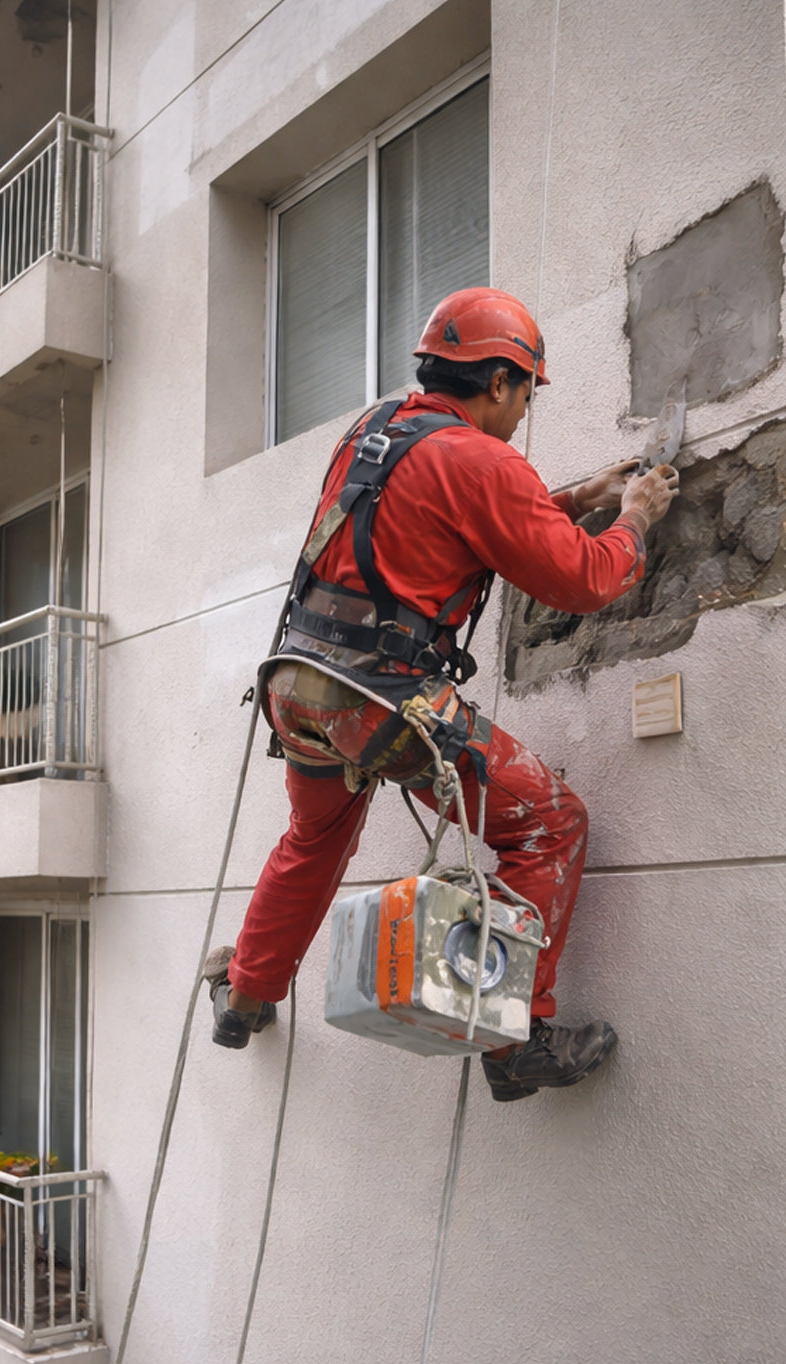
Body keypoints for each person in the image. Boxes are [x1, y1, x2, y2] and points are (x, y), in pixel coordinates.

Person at [208, 287, 680, 1102]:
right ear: (497, 381)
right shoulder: (484, 461)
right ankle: (517, 1042)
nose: (524, 411)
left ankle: (245, 995)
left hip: (300, 687)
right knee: (549, 823)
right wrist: (633, 517)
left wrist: (575, 497)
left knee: (314, 839)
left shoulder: (376, 430)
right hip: (382, 702)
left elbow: (441, 526)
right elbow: (583, 578)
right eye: (526, 392)